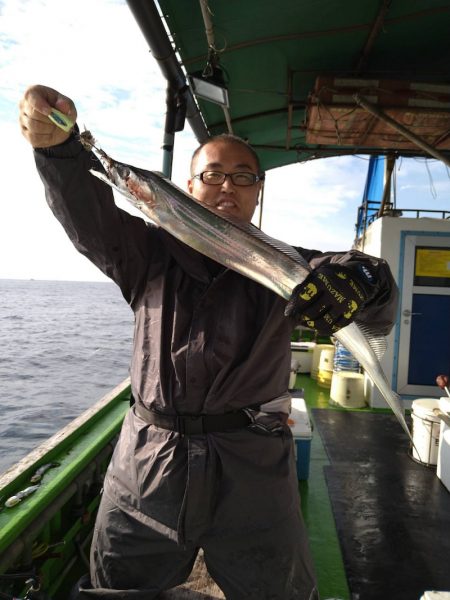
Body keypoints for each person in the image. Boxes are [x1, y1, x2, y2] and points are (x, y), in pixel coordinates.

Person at [19, 84, 398, 600]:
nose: (227, 186)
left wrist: (365, 278)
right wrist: (56, 151)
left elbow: (361, 291)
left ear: (258, 190)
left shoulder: (293, 263)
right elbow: (87, 214)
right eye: (212, 174)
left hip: (254, 466)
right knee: (120, 587)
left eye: (242, 176)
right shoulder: (143, 254)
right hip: (149, 462)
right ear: (189, 187)